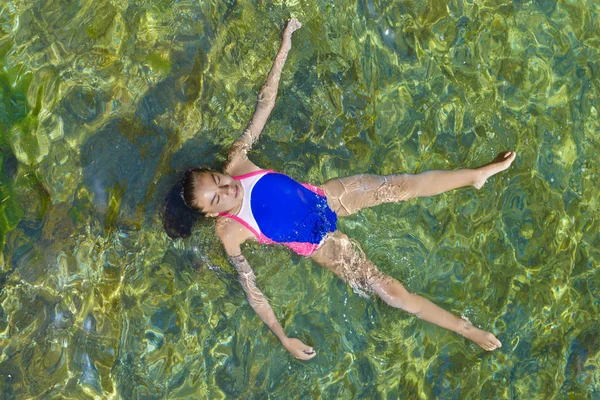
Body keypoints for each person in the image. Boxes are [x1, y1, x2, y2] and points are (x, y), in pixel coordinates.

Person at [164, 18, 515, 360]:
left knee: (402, 185)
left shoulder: (238, 162)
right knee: (391, 293)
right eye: (217, 197)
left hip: (327, 195)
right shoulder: (229, 231)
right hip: (320, 245)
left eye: (219, 181)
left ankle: (475, 176)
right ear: (210, 213)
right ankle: (465, 329)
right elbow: (250, 285)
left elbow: (265, 104)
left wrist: (285, 44)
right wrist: (283, 337)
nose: (227, 189)